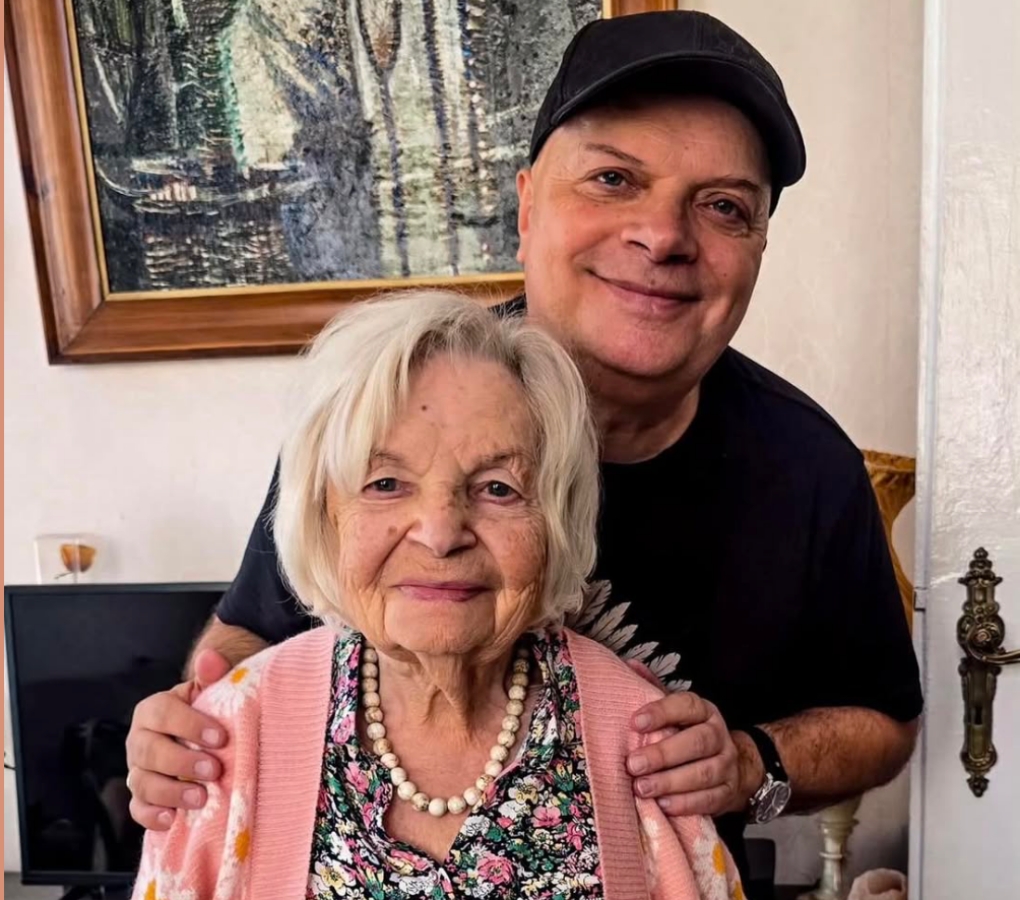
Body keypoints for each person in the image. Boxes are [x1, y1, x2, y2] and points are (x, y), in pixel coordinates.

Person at [126, 9, 923, 887]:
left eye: (724, 206)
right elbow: (251, 635)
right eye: (613, 179)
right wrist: (195, 739)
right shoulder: (384, 408)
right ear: (528, 205)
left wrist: (750, 763)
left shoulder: (809, 468)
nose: (663, 235)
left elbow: (884, 720)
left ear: (758, 246)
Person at [131, 291, 745, 899]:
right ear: (325, 517)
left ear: (556, 523)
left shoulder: (640, 740)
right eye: (386, 483)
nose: (442, 532)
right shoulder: (229, 739)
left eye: (498, 488)